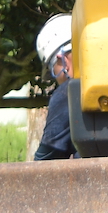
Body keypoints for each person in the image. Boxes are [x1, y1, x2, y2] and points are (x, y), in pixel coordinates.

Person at [33, 14, 76, 160]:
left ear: (62, 59)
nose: (56, 80)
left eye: (53, 72)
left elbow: (45, 161)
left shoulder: (69, 92)